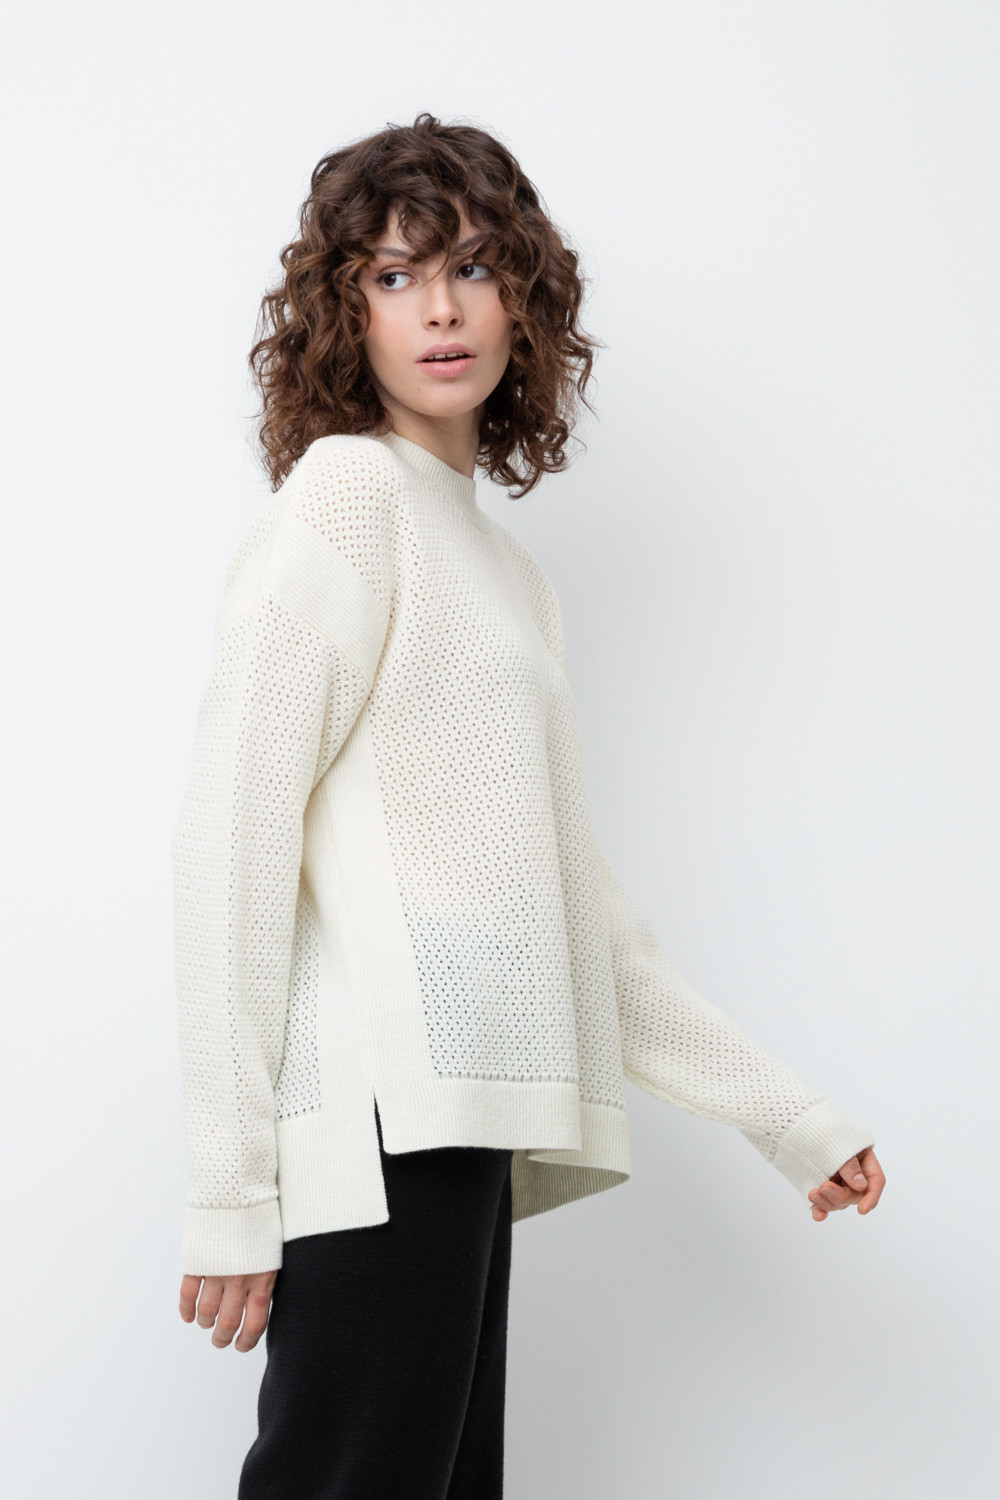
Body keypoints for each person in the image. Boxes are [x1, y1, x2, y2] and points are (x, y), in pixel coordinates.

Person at [172, 112, 885, 1498]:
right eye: (393, 275)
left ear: (524, 300)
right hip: (381, 1122)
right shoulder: (348, 496)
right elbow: (231, 839)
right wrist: (230, 1187)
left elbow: (577, 921)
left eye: (474, 266)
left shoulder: (505, 573)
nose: (439, 308)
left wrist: (788, 1117)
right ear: (345, 315)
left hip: (461, 1135)